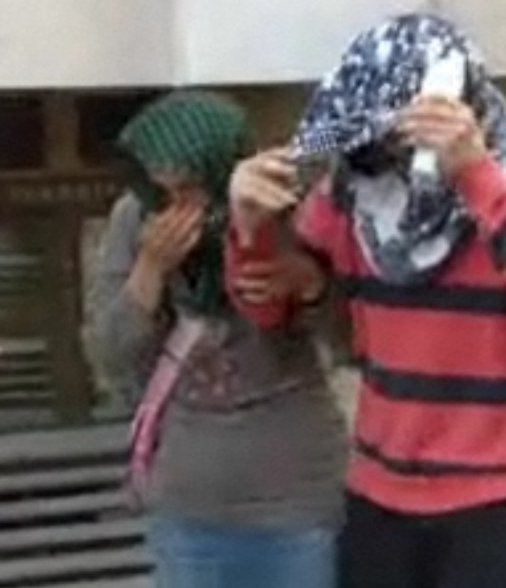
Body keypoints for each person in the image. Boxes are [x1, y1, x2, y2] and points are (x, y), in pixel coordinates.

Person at [227, 14, 506, 588]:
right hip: (379, 486)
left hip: (496, 490)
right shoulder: (355, 191)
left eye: (387, 136)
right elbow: (270, 308)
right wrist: (249, 227)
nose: (374, 154)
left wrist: (477, 177)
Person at [83, 91, 346, 588]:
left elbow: (351, 341)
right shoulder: (135, 219)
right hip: (188, 506)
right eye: (161, 191)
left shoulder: (286, 209)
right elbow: (109, 354)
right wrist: (150, 269)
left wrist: (309, 284)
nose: (177, 207)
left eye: (191, 189)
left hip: (296, 502)